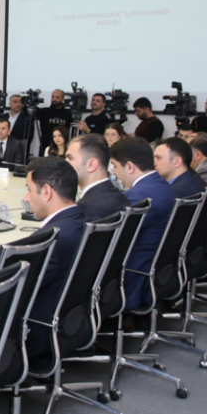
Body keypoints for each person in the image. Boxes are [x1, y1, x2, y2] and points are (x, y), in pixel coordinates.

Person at [22, 157, 85, 363]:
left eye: (29, 190)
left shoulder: (47, 241)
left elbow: (16, 294)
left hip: (38, 334)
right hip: (73, 323)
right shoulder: (82, 222)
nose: (26, 198)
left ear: (47, 192)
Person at [111, 137, 176, 310]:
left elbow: (113, 239)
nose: (114, 172)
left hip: (135, 276)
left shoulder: (137, 198)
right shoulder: (164, 186)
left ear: (130, 167)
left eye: (115, 166)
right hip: (161, 271)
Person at [66, 134, 129, 223]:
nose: (65, 162)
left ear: (91, 165)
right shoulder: (120, 196)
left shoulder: (84, 210)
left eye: (70, 158)